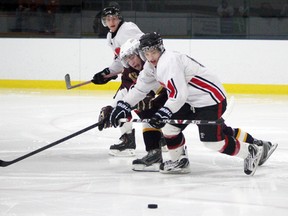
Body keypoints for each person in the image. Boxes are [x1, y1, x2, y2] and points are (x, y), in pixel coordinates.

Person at [109, 32, 278, 176]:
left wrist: (164, 112)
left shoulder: (169, 61)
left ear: (160, 48)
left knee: (213, 141)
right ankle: (179, 162)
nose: (150, 57)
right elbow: (139, 89)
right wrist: (122, 106)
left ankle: (252, 151)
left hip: (210, 99)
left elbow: (178, 95)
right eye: (146, 53)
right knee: (169, 128)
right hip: (191, 101)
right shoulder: (150, 67)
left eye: (153, 52)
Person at [99, 38, 168, 171]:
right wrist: (112, 109)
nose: (131, 62)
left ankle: (165, 141)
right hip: (160, 103)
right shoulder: (130, 70)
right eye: (128, 59)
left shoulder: (155, 64)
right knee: (144, 109)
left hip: (174, 101)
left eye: (133, 57)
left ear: (141, 54)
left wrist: (153, 100)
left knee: (148, 109)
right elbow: (124, 91)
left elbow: (169, 90)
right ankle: (150, 145)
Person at [90, 3, 144, 157]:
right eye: (108, 19)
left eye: (114, 18)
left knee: (132, 104)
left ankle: (133, 141)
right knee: (123, 103)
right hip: (130, 75)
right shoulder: (110, 37)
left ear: (119, 19)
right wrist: (106, 74)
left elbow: (143, 48)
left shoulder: (128, 28)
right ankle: (131, 139)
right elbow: (120, 61)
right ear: (104, 22)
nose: (111, 21)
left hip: (142, 74)